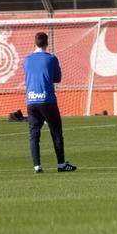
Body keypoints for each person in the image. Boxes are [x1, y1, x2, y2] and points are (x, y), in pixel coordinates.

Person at [23, 31, 76, 174]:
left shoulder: (26, 60)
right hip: (47, 100)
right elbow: (57, 78)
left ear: (34, 43)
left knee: (34, 134)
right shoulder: (51, 58)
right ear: (47, 43)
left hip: (31, 100)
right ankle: (61, 164)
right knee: (56, 132)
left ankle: (37, 166)